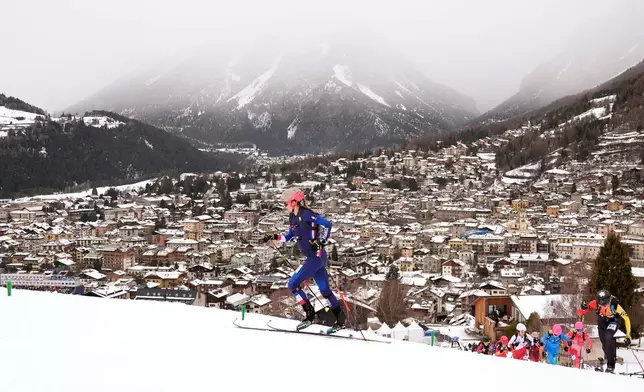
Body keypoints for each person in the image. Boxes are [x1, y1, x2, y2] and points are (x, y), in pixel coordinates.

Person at [263, 188, 345, 331]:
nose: (284, 206)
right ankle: (340, 318)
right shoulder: (292, 217)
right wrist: (274, 237)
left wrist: (321, 241)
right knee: (325, 290)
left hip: (316, 257)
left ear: (294, 202)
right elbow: (289, 237)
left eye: (285, 203)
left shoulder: (306, 214)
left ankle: (310, 315)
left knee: (293, 284)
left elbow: (327, 224)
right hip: (314, 258)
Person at [577, 289, 632, 373]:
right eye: (602, 304)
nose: (604, 306)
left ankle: (611, 365)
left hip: (613, 320)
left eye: (606, 304)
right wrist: (583, 308)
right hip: (602, 321)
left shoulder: (614, 304)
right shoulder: (595, 303)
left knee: (608, 336)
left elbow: (626, 318)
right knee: (604, 342)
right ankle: (610, 355)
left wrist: (628, 335)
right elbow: (586, 309)